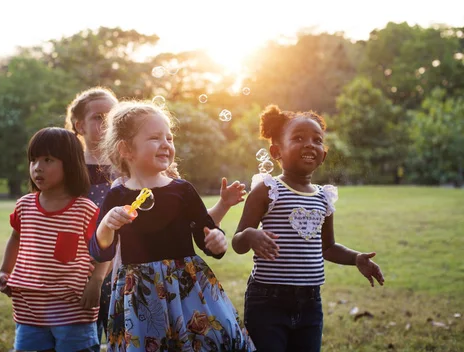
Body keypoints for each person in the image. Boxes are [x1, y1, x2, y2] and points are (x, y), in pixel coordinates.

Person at [65, 87, 247, 346]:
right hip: (140, 291)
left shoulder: (181, 189)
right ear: (126, 149)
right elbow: (100, 250)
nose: (166, 144)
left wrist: (217, 239)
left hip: (186, 286)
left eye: (169, 138)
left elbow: (206, 234)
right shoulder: (117, 194)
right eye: (155, 138)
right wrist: (107, 224)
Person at [232, 105, 385, 352]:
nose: (309, 144)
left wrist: (356, 258)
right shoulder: (267, 190)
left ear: (323, 155)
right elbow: (237, 242)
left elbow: (329, 247)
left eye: (317, 140)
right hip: (267, 301)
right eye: (298, 138)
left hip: (310, 304)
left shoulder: (323, 198)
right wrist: (250, 235)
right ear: (276, 151)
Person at [0, 127, 110, 352]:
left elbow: (104, 248)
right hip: (29, 309)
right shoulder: (24, 206)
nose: (38, 167)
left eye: (48, 159)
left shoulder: (84, 210)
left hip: (73, 310)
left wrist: (96, 281)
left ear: (69, 164)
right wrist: (5, 271)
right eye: (33, 160)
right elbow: (15, 239)